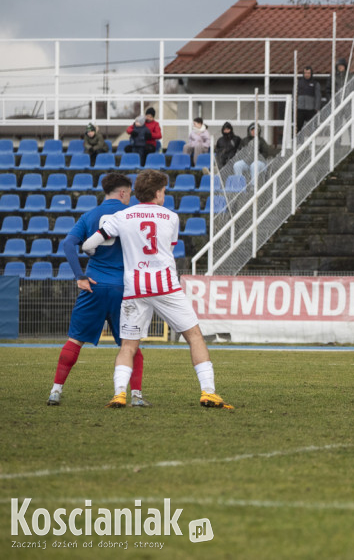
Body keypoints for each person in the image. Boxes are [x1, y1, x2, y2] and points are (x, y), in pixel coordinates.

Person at [82, 169, 233, 409]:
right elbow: (167, 248)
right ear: (158, 193)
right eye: (163, 191)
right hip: (165, 285)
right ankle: (208, 393)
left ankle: (119, 394)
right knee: (194, 336)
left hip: (135, 287)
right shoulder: (171, 217)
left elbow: (89, 244)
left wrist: (93, 254)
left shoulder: (122, 216)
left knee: (128, 346)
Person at [46, 173, 148, 407]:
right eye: (130, 193)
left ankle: (56, 391)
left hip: (94, 285)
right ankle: (136, 396)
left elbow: (68, 244)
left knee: (74, 341)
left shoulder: (89, 216)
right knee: (130, 345)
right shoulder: (130, 216)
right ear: (123, 192)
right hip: (123, 288)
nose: (130, 197)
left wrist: (80, 277)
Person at [296, 66, 322, 132]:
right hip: (300, 109)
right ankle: (299, 142)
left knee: (311, 128)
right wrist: (295, 107)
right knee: (298, 128)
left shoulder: (316, 83)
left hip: (311, 110)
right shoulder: (298, 83)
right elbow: (294, 95)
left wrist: (317, 107)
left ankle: (311, 142)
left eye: (308, 73)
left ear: (311, 73)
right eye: (305, 73)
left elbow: (318, 96)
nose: (307, 74)